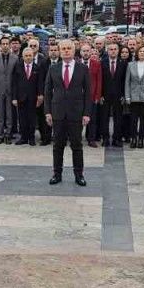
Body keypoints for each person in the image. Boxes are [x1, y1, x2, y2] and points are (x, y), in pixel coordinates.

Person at [44, 38, 90, 185]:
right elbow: (47, 92)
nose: (66, 51)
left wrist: (86, 113)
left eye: (68, 48)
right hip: (58, 112)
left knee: (77, 146)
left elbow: (88, 93)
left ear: (74, 50)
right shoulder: (53, 68)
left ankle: (79, 175)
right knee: (58, 146)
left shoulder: (82, 68)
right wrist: (48, 112)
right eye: (63, 49)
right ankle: (57, 174)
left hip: (76, 113)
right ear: (59, 51)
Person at [123, 45, 144, 150]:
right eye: (140, 51)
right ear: (137, 53)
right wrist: (127, 96)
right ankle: (133, 139)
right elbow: (127, 82)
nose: (142, 53)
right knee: (133, 120)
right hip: (133, 96)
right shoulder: (130, 65)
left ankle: (140, 139)